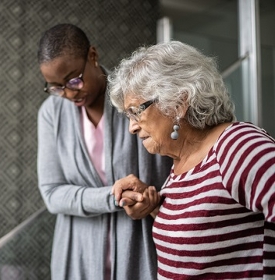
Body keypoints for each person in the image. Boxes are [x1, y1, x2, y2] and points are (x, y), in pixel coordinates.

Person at [108, 40, 275, 279]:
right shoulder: (180, 164)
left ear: (178, 103)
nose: (131, 127)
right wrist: (155, 206)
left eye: (136, 111)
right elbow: (206, 235)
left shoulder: (237, 146)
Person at [36, 23, 172, 280]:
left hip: (142, 245)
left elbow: (174, 168)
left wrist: (151, 201)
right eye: (55, 87)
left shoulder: (136, 98)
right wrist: (114, 197)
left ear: (93, 55)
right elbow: (53, 193)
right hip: (78, 252)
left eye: (74, 79)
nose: (67, 93)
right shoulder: (51, 114)